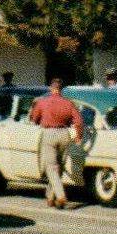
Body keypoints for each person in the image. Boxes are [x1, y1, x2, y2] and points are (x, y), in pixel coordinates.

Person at [28, 78, 84, 209]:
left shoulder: (42, 102)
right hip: (64, 133)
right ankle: (50, 196)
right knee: (59, 167)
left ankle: (60, 195)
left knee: (51, 167)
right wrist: (78, 136)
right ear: (61, 89)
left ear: (50, 88)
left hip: (48, 134)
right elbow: (79, 121)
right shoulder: (69, 103)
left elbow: (34, 119)